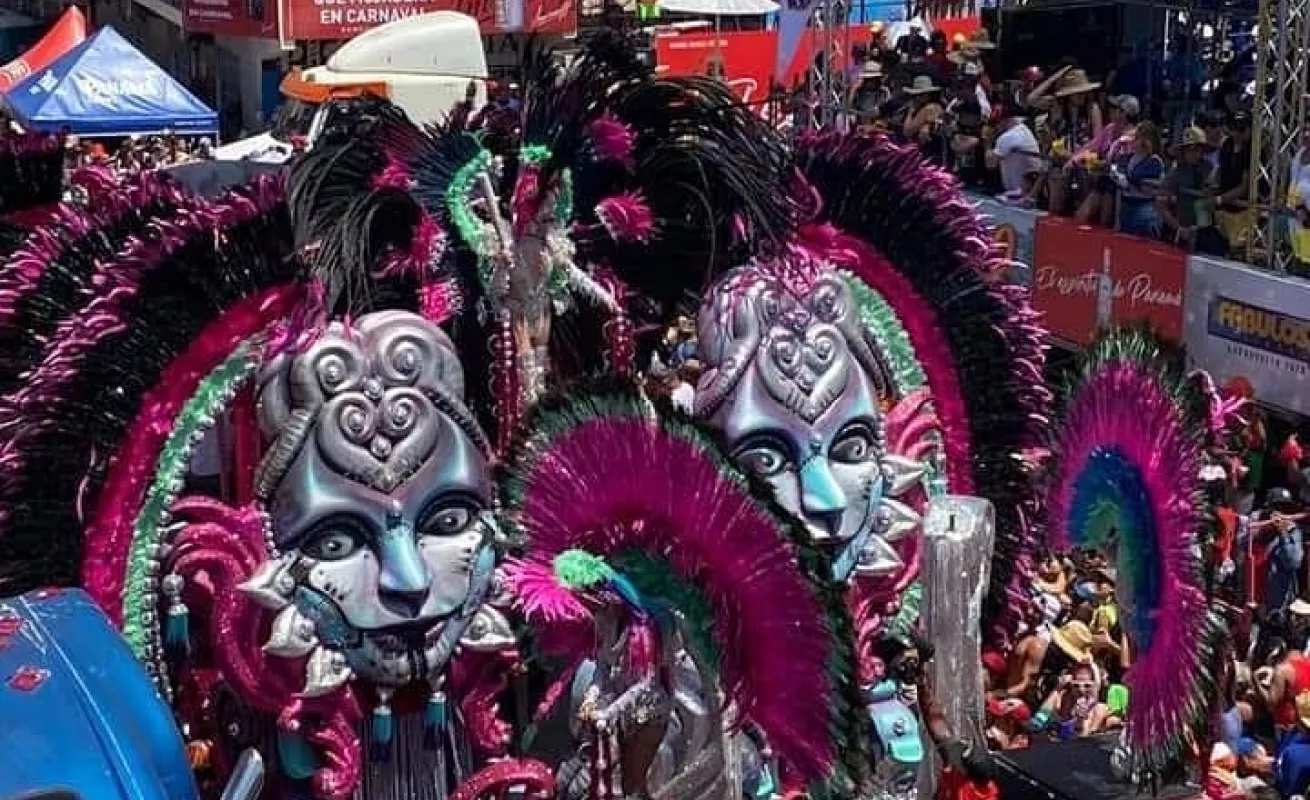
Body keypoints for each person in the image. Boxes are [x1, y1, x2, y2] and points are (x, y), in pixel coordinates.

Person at [988, 112, 1043, 195]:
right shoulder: (1023, 128)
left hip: (1018, 190)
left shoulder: (1008, 136)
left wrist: (987, 142)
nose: (995, 127)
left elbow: (990, 164)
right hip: (1027, 187)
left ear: (1006, 120)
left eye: (997, 123)